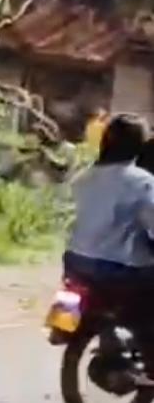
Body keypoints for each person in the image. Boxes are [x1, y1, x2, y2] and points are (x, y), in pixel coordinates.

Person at [66, 113, 154, 379]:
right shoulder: (142, 182)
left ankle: (95, 330)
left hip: (76, 262)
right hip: (119, 270)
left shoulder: (82, 178)